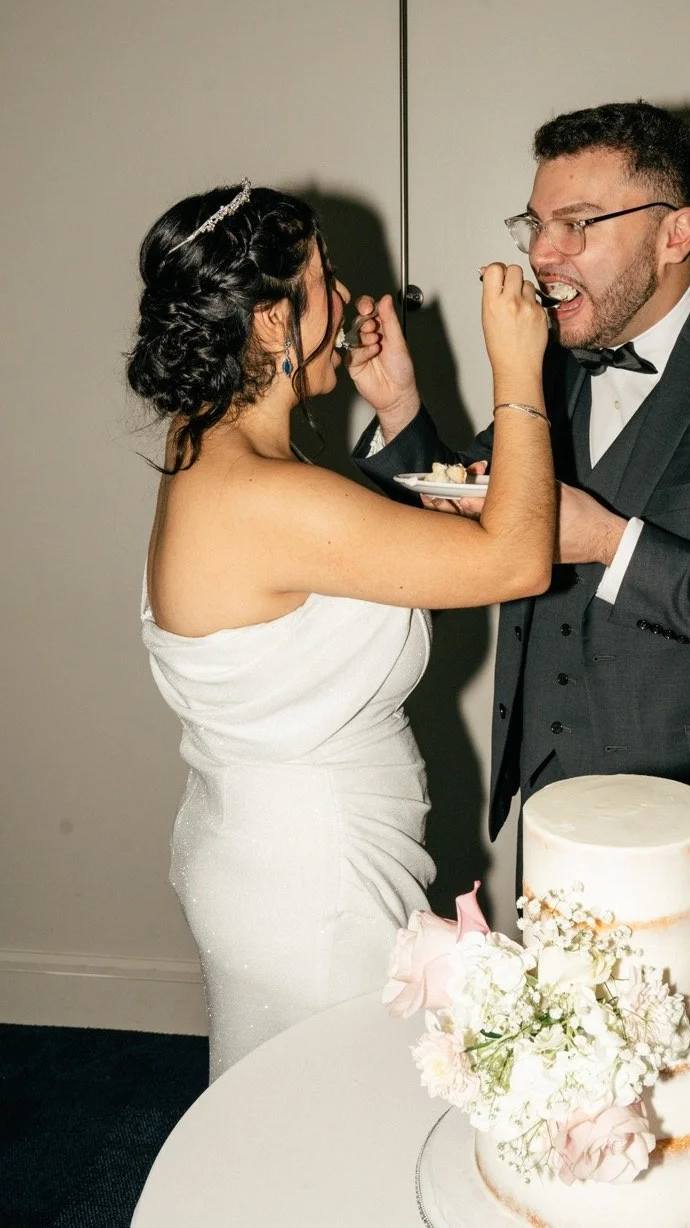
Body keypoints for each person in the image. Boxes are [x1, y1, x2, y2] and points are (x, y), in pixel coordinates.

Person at [354, 103, 690, 977]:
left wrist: (609, 544)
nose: (542, 254)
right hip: (555, 807)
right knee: (567, 1074)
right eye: (536, 224)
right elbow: (476, 507)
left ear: (677, 233)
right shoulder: (549, 367)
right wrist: (401, 409)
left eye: (578, 224)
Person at [126, 181, 553, 1078]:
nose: (354, 300)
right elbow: (516, 560)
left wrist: (399, 408)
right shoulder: (269, 497)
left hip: (261, 849)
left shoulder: (204, 446)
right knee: (341, 1121)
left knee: (292, 1109)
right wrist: (519, 371)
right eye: (327, 279)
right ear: (274, 323)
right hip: (313, 883)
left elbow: (366, 554)